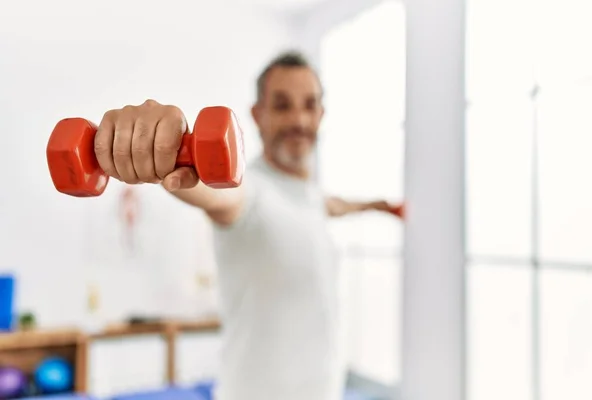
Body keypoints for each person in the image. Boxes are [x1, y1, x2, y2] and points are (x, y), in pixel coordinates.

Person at [93, 51, 403, 400]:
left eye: (309, 105)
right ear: (258, 115)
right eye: (283, 105)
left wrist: (383, 207)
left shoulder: (311, 197)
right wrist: (170, 151)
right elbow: (217, 192)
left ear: (321, 114)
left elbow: (336, 205)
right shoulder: (247, 189)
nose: (299, 119)